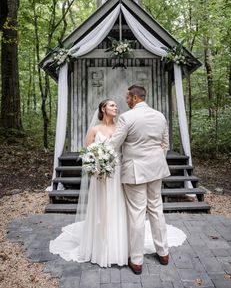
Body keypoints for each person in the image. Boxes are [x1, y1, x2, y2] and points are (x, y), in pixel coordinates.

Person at [49, 97, 186, 269]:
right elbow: (87, 154)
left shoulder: (122, 124)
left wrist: (106, 155)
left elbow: (126, 145)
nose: (117, 107)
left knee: (126, 211)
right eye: (112, 105)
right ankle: (104, 246)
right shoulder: (95, 129)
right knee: (110, 210)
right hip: (102, 176)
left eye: (117, 104)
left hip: (121, 173)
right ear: (103, 108)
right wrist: (96, 164)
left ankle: (124, 249)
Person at [110, 85, 170, 275]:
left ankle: (136, 260)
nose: (126, 101)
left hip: (135, 171)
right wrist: (155, 157)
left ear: (135, 98)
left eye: (127, 97)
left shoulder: (127, 118)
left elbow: (114, 144)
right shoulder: (160, 116)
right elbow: (165, 145)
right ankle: (163, 253)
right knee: (156, 208)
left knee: (137, 213)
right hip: (156, 168)